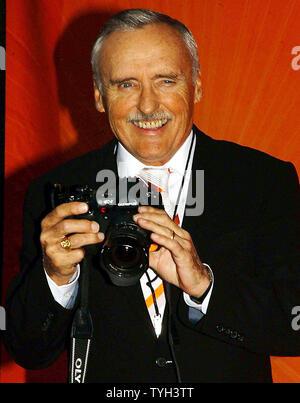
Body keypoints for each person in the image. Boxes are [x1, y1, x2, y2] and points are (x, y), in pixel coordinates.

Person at [3, 9, 300, 383]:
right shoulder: (57, 192)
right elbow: (27, 348)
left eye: (165, 81)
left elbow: (294, 324)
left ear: (196, 85)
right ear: (98, 95)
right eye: (126, 84)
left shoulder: (264, 180)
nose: (147, 106)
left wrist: (205, 287)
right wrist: (55, 276)